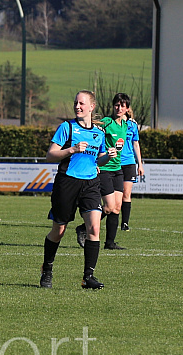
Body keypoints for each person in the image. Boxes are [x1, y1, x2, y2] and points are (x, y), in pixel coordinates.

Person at [40, 90, 116, 290]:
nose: (77, 107)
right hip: (67, 183)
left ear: (92, 107)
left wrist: (108, 156)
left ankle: (88, 277)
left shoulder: (99, 133)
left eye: (81, 103)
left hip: (90, 183)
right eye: (75, 103)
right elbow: (50, 155)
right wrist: (71, 150)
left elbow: (98, 160)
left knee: (94, 228)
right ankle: (47, 268)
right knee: (59, 231)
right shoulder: (67, 128)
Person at [75, 93, 129, 250]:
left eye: (122, 106)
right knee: (109, 207)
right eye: (116, 105)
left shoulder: (125, 125)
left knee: (117, 207)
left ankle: (110, 243)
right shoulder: (106, 122)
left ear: (127, 108)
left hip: (117, 169)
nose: (118, 108)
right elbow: (93, 129)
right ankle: (84, 228)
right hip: (104, 168)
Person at [119, 110, 144, 232]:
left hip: (129, 162)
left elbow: (135, 144)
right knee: (115, 199)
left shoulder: (133, 125)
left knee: (126, 194)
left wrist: (140, 164)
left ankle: (125, 223)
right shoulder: (112, 123)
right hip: (115, 163)